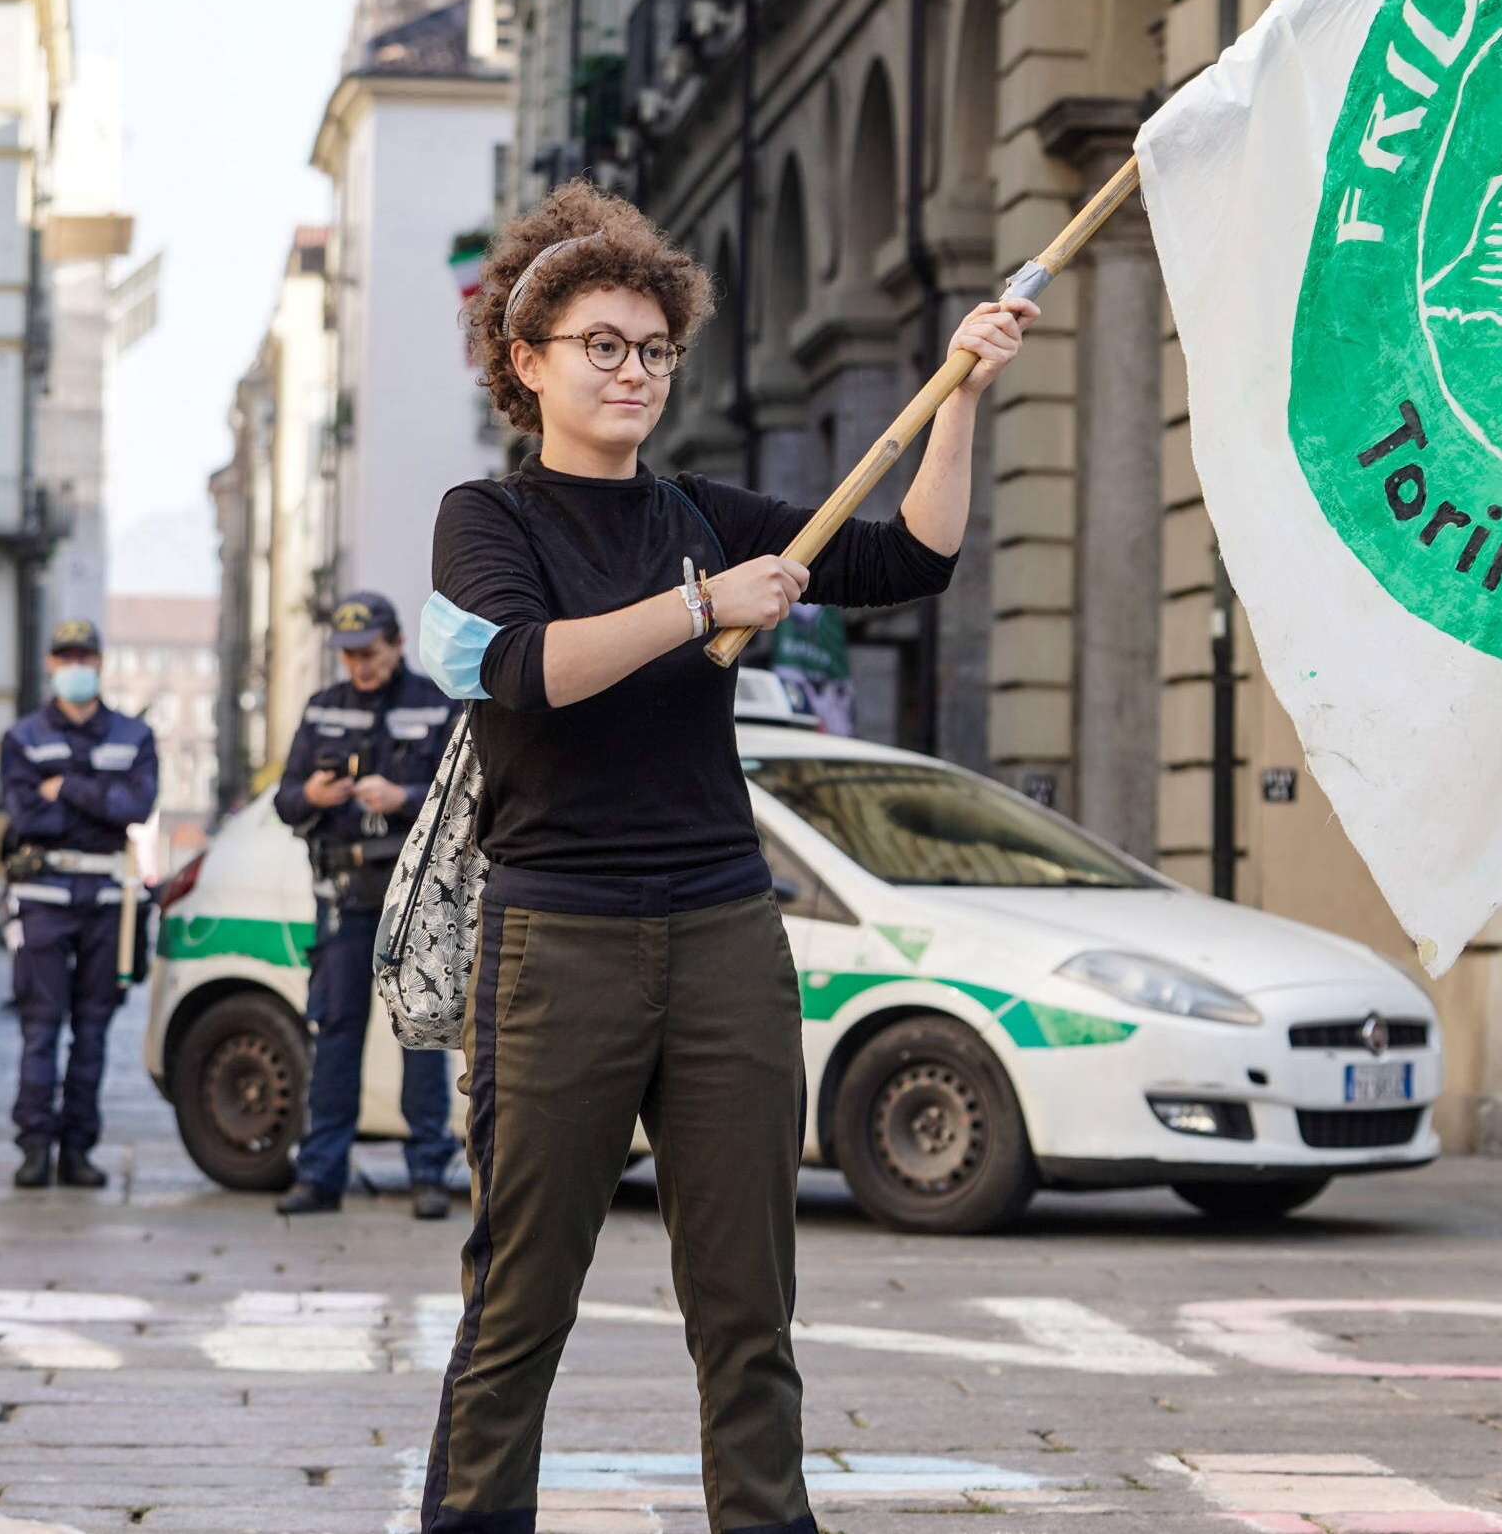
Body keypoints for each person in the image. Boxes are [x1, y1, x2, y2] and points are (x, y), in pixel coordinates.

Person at [414, 183, 1032, 1534]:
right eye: (602, 345)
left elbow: (911, 555)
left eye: (652, 348)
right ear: (529, 362)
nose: (633, 371)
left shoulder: (706, 508)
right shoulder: (488, 523)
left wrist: (961, 393)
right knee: (520, 1297)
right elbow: (523, 670)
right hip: (555, 943)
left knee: (750, 1307)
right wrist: (700, 606)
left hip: (723, 935)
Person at [272, 591, 460, 1219]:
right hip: (345, 896)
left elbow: (461, 796)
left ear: (398, 644)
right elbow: (286, 801)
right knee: (337, 1034)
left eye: (370, 653)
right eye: (350, 656)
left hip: (411, 900)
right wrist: (317, 795)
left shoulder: (435, 705)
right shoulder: (323, 708)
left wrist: (402, 795)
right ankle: (321, 1173)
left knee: (422, 1036)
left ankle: (428, 1174)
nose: (360, 665)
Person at [0, 618, 158, 1190]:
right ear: (51, 664)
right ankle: (35, 1148)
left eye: (83, 657)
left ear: (99, 662)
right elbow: (24, 816)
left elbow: (136, 807)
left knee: (92, 1031)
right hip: (42, 898)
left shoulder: (133, 737)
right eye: (65, 657)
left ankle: (77, 1151)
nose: (75, 667)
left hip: (107, 902)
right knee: (40, 1028)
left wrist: (64, 787)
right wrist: (100, 803)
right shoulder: (23, 738)